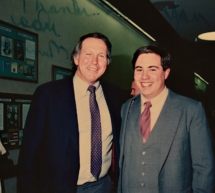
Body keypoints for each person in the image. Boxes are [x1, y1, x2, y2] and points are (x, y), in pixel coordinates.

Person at [17, 32, 124, 193]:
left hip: (103, 187)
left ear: (107, 62)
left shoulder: (116, 96)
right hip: (59, 188)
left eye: (101, 56)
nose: (94, 61)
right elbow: (29, 154)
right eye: (88, 54)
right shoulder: (48, 94)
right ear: (76, 58)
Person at [118, 45, 215, 192]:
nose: (144, 76)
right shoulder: (127, 108)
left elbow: (204, 168)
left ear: (166, 73)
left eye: (152, 69)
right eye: (139, 69)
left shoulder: (191, 110)